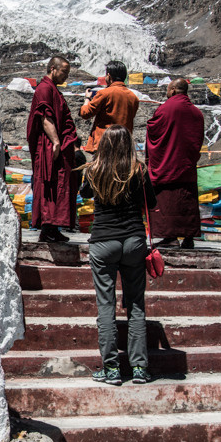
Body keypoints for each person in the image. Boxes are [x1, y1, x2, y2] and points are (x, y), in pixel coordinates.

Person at [80, 125, 155, 385]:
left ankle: (111, 368)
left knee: (106, 305)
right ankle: (139, 368)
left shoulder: (94, 170)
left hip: (103, 242)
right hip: (133, 241)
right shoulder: (139, 170)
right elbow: (151, 203)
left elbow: (85, 193)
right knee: (136, 305)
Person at [145, 78, 204, 249]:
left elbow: (153, 129)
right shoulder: (196, 113)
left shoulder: (166, 109)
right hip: (186, 166)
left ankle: (170, 237)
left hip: (167, 165)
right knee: (187, 200)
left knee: (168, 201)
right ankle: (188, 238)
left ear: (172, 90)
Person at [26, 56, 80, 242]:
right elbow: (45, 117)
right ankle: (48, 228)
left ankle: (52, 228)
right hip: (50, 147)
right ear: (52, 69)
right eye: (64, 72)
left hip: (58, 146)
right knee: (50, 184)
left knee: (59, 185)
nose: (66, 76)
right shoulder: (44, 89)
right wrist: (56, 141)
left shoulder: (53, 89)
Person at [79, 60, 138, 155]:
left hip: (104, 143)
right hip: (124, 144)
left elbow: (85, 113)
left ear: (109, 76)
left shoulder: (104, 93)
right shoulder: (133, 97)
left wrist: (87, 98)